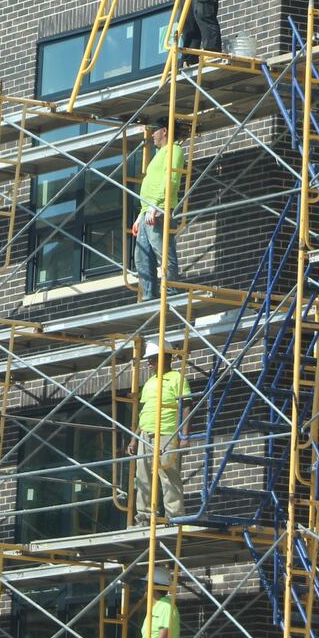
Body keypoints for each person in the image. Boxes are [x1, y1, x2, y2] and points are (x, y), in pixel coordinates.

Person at [132, 344, 189, 525]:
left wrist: (184, 436)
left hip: (167, 433)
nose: (150, 363)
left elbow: (186, 406)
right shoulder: (149, 383)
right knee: (143, 476)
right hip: (146, 434)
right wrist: (134, 438)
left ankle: (175, 516)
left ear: (166, 358)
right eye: (149, 359)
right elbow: (145, 411)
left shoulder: (177, 378)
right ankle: (144, 516)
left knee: (168, 475)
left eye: (153, 359)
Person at [132, 121, 185, 300]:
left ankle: (170, 292)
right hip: (148, 210)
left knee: (162, 251)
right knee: (141, 256)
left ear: (164, 131)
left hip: (159, 209)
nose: (152, 135)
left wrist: (155, 205)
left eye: (154, 131)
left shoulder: (174, 150)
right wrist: (141, 214)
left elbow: (171, 180)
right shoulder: (159, 154)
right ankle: (149, 296)